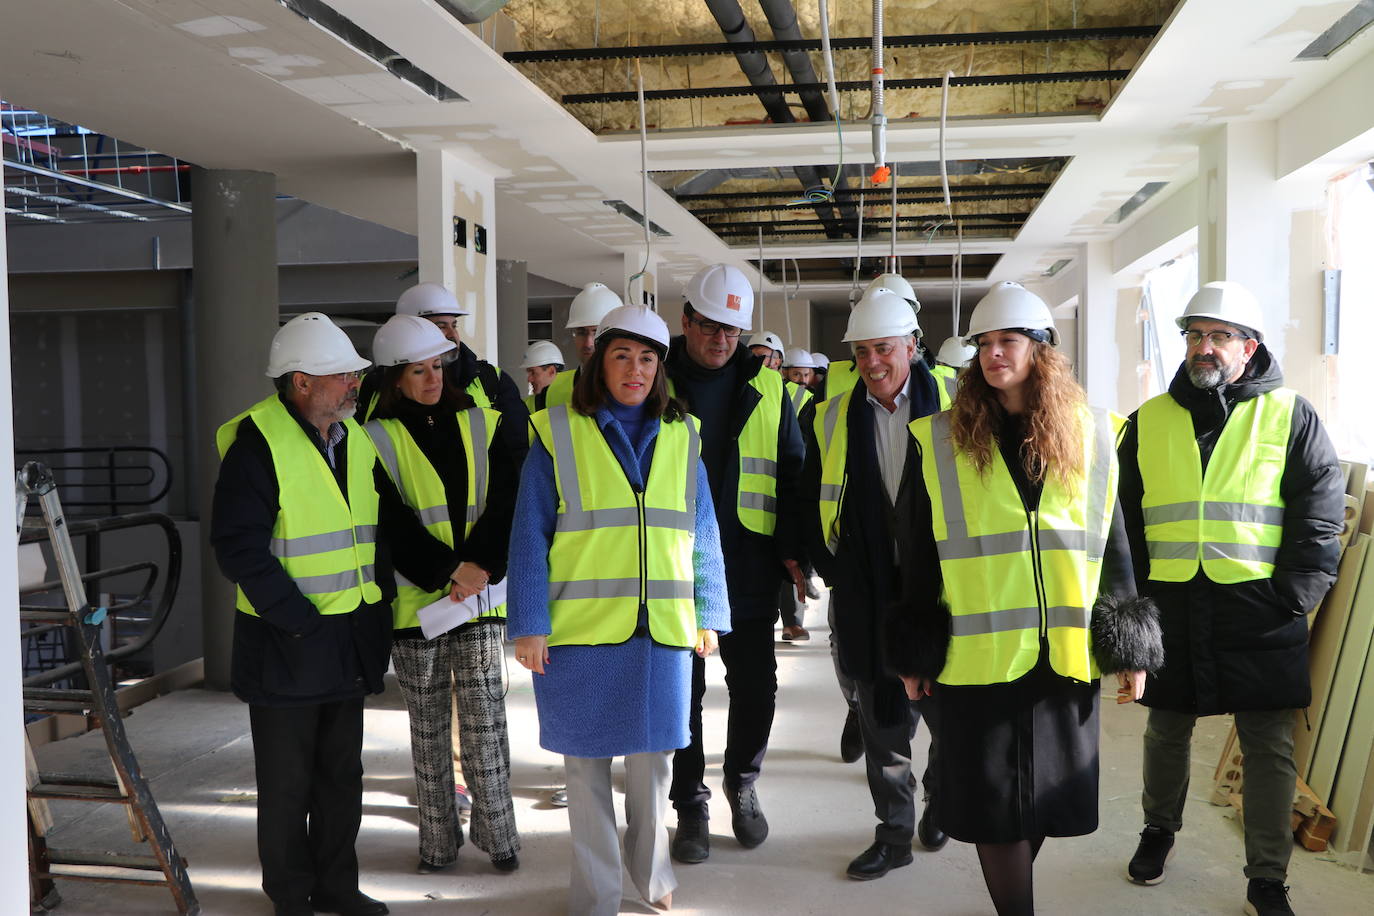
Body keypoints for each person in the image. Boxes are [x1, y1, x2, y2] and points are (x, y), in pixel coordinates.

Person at [885, 282, 1162, 916]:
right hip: (977, 656)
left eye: (1009, 340)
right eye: (984, 343)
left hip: (1062, 655)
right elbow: (918, 555)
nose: (992, 354)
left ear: (1042, 350)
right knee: (992, 811)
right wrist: (915, 650)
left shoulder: (1093, 433)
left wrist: (1129, 645)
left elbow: (1113, 542)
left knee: (1040, 800)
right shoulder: (940, 439)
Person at [212, 313, 452, 916]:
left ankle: (338, 887)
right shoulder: (256, 444)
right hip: (288, 643)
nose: (354, 384)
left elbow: (385, 529)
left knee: (342, 777)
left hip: (347, 640)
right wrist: (300, 621)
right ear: (299, 382)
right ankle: (292, 897)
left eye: (354, 374)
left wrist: (448, 573)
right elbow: (238, 548)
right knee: (289, 786)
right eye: (342, 375)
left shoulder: (356, 441)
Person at [1116, 281, 1344, 916]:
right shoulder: (1148, 420)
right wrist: (1133, 605)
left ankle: (1267, 876)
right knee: (1165, 729)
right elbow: (1124, 521)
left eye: (1219, 336)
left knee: (1268, 742)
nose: (1204, 348)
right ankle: (1157, 832)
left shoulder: (1290, 414)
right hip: (1173, 602)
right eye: (1195, 336)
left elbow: (1319, 512)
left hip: (1259, 605)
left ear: (1250, 346)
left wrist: (1296, 595)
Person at [507, 304, 730, 916]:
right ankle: (597, 895)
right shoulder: (557, 433)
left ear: (661, 369)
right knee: (585, 773)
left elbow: (701, 532)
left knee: (656, 766)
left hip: (660, 630)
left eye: (649, 358)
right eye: (622, 356)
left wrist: (709, 613)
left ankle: (652, 879)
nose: (636, 369)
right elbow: (529, 534)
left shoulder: (683, 436)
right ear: (598, 362)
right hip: (580, 632)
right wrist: (528, 624)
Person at [801, 287, 953, 880]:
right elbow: (813, 490)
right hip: (866, 593)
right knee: (881, 724)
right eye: (862, 352)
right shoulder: (835, 413)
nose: (872, 364)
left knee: (947, 716)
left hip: (940, 592)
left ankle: (940, 800)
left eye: (883, 349)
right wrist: (829, 564)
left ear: (912, 347)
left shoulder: (956, 406)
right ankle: (894, 834)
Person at [363, 315, 522, 875]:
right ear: (394, 379)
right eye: (417, 371)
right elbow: (390, 522)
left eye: (437, 366)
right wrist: (450, 570)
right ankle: (437, 845)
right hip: (417, 605)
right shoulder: (373, 437)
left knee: (483, 722)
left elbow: (506, 500)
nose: (432, 378)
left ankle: (499, 837)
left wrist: (479, 567)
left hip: (478, 599)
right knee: (428, 730)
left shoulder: (485, 422)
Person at [663, 263, 806, 864]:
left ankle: (741, 783)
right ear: (687, 321)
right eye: (711, 326)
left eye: (733, 330)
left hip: (747, 560)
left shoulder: (769, 387)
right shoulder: (656, 377)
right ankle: (690, 805)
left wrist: (795, 553)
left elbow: (794, 472)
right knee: (683, 691)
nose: (721, 340)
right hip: (672, 563)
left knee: (755, 685)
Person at [542, 281, 625, 409]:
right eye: (581, 332)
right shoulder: (552, 390)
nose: (588, 343)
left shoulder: (636, 388)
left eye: (596, 332)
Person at [520, 339, 565, 412]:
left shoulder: (572, 401)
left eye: (533, 372)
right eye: (528, 373)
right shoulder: (524, 406)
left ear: (551, 371)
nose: (529, 379)